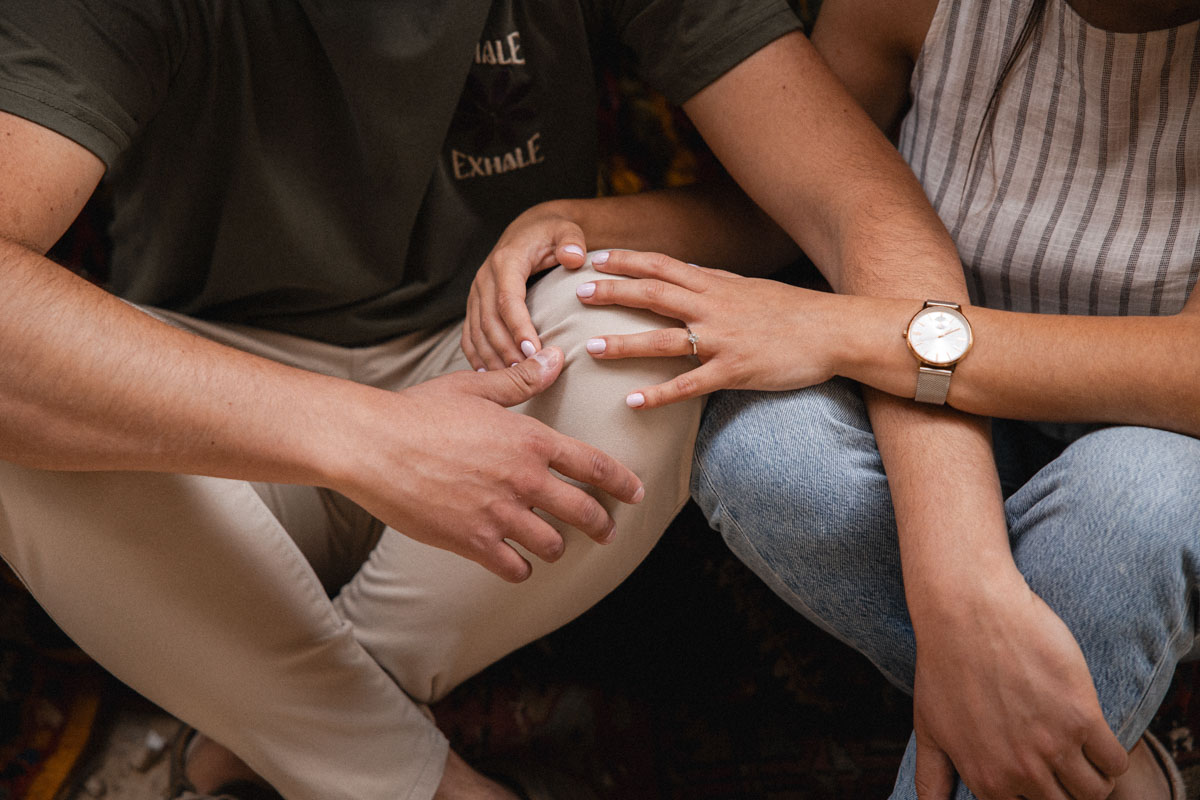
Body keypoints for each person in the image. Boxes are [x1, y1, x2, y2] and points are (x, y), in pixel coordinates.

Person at [0, 1, 997, 798]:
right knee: (24, 409)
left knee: (645, 329)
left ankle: (257, 731)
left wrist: (961, 580)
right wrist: (371, 438)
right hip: (220, 455)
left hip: (493, 397)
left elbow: (856, 203)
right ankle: (416, 777)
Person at [566, 0, 1200, 798]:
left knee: (1125, 498)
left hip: (1170, 454)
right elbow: (796, 207)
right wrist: (587, 224)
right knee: (760, 439)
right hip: (964, 427)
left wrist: (853, 334)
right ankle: (1107, 769)